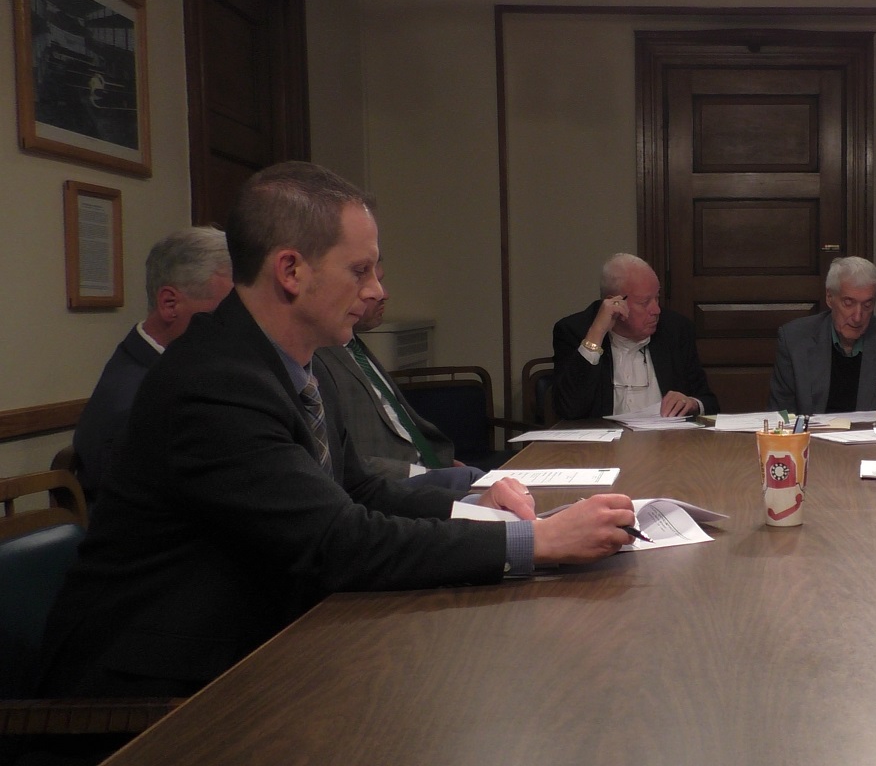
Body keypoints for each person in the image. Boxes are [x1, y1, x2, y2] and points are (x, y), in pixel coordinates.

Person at [34, 162, 634, 721]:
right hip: (155, 694)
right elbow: (337, 542)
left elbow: (359, 491)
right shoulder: (214, 381)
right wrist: (538, 541)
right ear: (291, 271)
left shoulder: (305, 363)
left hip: (264, 644)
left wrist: (474, 505)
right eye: (359, 270)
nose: (375, 290)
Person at [72, 226, 233, 505]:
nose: (237, 327)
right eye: (226, 312)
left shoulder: (167, 366)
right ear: (170, 304)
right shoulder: (135, 404)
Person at [313, 261, 484, 491]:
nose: (382, 293)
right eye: (363, 279)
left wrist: (440, 466)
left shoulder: (354, 346)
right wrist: (427, 474)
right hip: (389, 488)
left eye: (379, 280)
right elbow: (342, 460)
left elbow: (395, 426)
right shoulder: (315, 355)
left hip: (430, 471)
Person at [552, 253, 719, 420]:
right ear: (614, 303)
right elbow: (568, 409)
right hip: (604, 436)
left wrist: (692, 403)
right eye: (644, 302)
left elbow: (709, 403)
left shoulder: (676, 330)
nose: (656, 310)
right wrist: (597, 334)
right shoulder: (575, 331)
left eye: (657, 298)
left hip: (665, 435)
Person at [770, 256, 876, 413]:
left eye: (867, 305)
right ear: (829, 297)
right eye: (848, 303)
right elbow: (782, 414)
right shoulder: (794, 340)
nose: (857, 317)